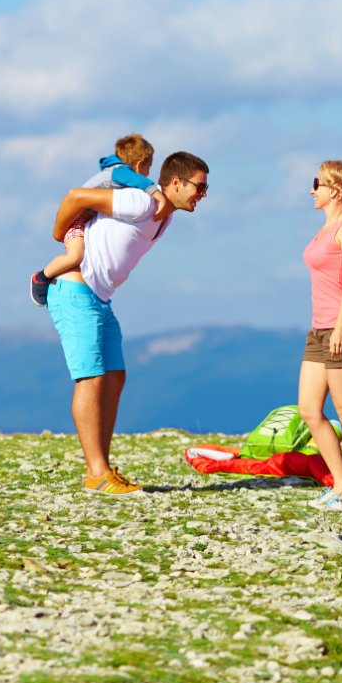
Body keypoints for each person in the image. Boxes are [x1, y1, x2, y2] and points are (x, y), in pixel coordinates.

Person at [46, 150, 210, 495]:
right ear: (176, 183)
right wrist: (61, 236)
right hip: (76, 291)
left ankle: (101, 468)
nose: (203, 195)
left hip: (100, 299)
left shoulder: (164, 217)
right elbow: (75, 197)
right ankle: (97, 472)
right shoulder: (141, 203)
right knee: (90, 379)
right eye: (199, 186)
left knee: (114, 377)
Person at [298, 160, 342, 513]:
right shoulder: (322, 230)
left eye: (318, 183)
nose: (312, 190)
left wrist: (341, 328)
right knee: (309, 410)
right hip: (318, 330)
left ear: (335, 190)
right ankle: (339, 483)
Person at [30, 133, 157, 307]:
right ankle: (41, 278)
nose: (148, 172)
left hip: (83, 219)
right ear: (139, 164)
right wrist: (155, 192)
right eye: (148, 166)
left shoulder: (113, 172)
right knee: (75, 256)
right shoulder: (119, 173)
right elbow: (139, 181)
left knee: (84, 257)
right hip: (75, 219)